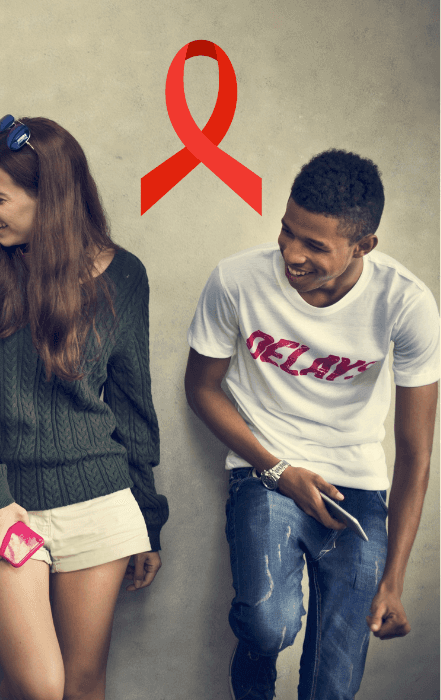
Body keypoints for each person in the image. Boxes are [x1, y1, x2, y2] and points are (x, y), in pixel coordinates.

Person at [184, 150, 439, 700]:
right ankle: (254, 664)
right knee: (266, 624)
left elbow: (416, 453)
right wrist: (278, 469)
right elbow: (201, 389)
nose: (291, 254)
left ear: (363, 245)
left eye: (315, 246)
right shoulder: (236, 280)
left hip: (358, 486)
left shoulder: (406, 303)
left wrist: (394, 579)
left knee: (334, 684)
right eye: (286, 231)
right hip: (264, 470)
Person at [0, 116, 169, 700]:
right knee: (39, 683)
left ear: (53, 202)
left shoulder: (125, 276)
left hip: (100, 498)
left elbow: (131, 402)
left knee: (84, 684)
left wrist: (147, 517)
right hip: (3, 500)